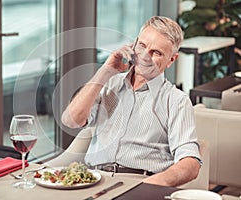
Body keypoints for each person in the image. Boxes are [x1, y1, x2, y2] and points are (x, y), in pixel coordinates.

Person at [61, 16, 201, 187]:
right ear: (134, 44)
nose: (145, 57)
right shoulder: (109, 84)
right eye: (142, 46)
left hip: (141, 182)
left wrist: (146, 187)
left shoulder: (176, 101)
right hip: (93, 180)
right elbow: (70, 120)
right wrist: (105, 71)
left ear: (172, 59)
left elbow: (191, 164)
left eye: (156, 53)